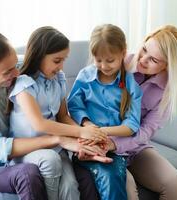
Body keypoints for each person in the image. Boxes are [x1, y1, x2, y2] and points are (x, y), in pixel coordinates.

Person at [7, 26, 110, 200]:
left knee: (71, 186)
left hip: (56, 147)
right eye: (56, 60)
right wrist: (81, 131)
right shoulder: (24, 85)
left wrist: (85, 138)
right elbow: (39, 124)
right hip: (28, 149)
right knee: (50, 160)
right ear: (39, 55)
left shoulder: (58, 79)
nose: (61, 66)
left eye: (64, 60)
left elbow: (63, 116)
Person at [109, 25, 177, 200]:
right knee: (126, 186)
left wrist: (118, 145)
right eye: (144, 49)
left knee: (173, 182)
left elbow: (146, 131)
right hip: (104, 144)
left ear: (167, 66)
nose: (143, 59)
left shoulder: (167, 90)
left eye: (153, 59)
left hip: (135, 147)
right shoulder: (117, 64)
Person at [67, 24, 143, 200]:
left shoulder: (131, 85)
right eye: (98, 60)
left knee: (111, 176)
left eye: (110, 60)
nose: (104, 65)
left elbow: (132, 125)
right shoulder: (85, 77)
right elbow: (74, 106)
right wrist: (87, 124)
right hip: (87, 143)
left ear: (123, 53)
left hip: (115, 147)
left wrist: (101, 133)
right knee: (103, 175)